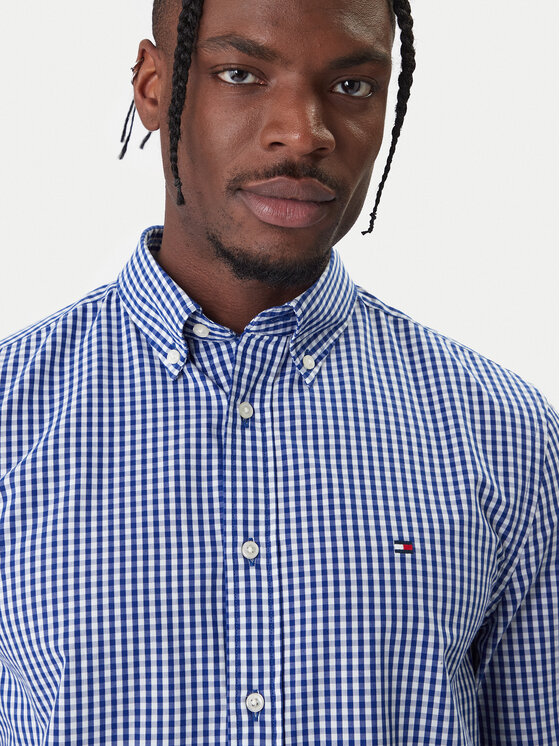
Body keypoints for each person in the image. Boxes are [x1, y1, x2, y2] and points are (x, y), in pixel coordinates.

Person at [0, 0, 556, 743]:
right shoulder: (13, 415)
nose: (304, 132)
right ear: (153, 87)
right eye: (241, 74)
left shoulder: (508, 437)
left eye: (353, 86)